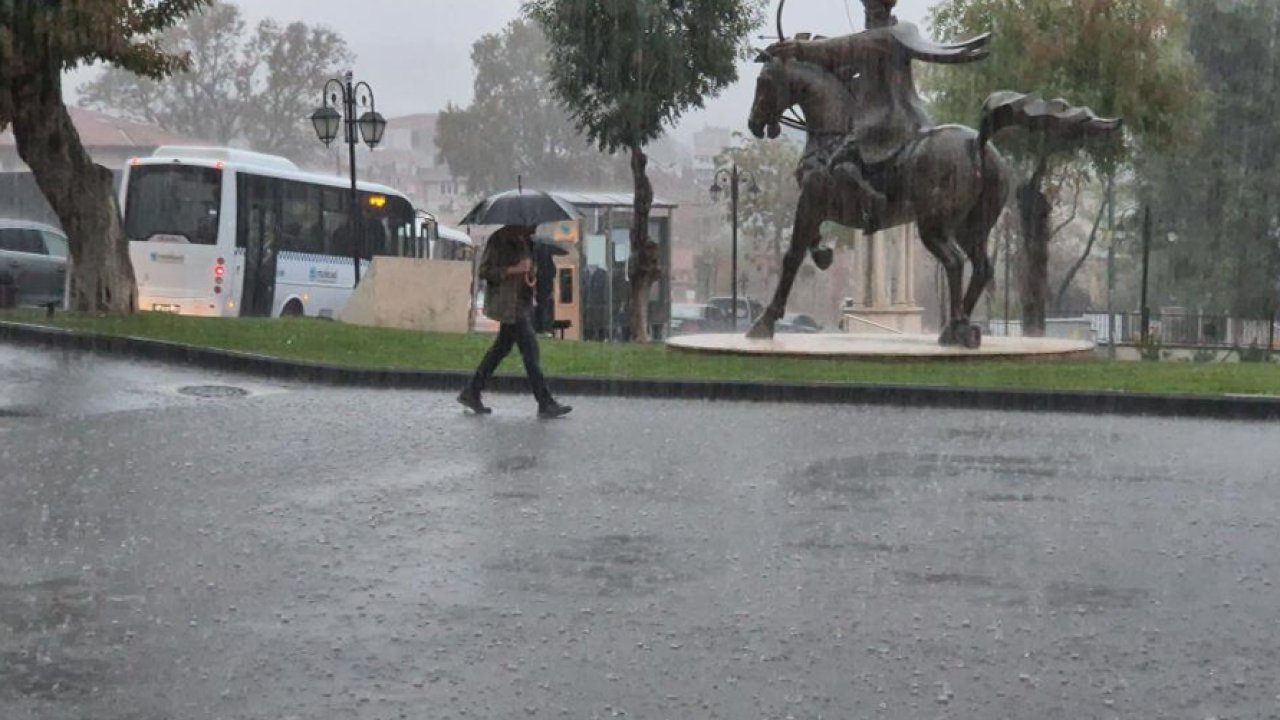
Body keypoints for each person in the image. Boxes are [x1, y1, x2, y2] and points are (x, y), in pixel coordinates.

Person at [458, 225, 572, 419]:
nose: (534, 227)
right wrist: (514, 269)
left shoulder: (527, 241)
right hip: (510, 305)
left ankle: (471, 391)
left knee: (500, 350)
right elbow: (485, 271)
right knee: (531, 352)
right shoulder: (499, 240)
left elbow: (528, 269)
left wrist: (531, 272)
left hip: (523, 303)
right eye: (531, 224)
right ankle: (545, 402)